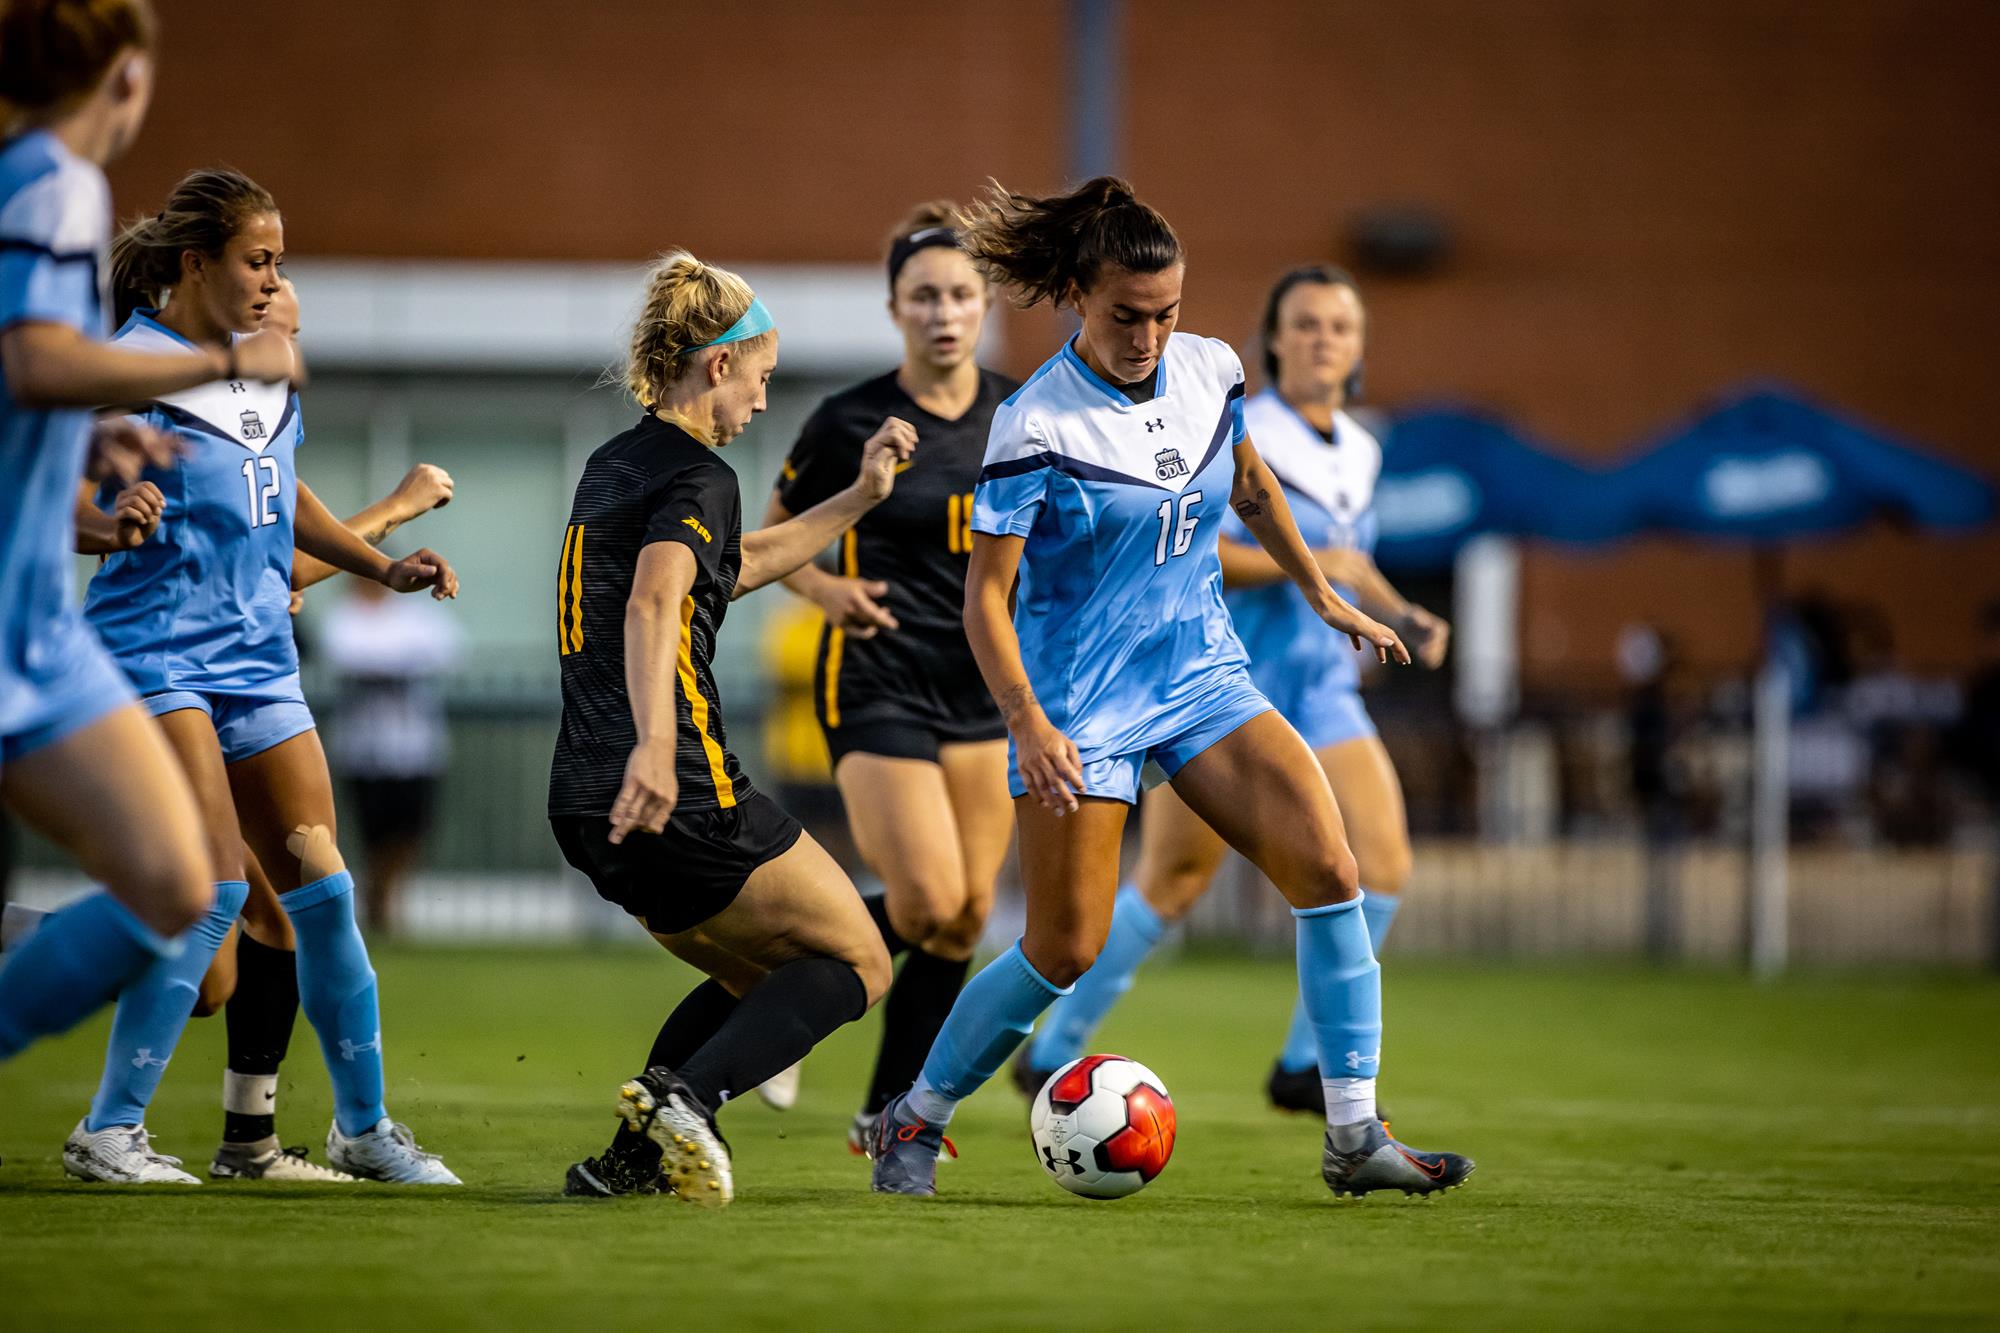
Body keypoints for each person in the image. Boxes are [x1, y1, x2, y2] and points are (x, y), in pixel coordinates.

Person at [865, 178, 1474, 1200]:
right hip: (1078, 706)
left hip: (1200, 680)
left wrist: (1321, 593)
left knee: (1334, 871)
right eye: (1124, 315)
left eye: (1165, 313)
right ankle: (911, 1118)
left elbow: (1250, 485)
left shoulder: (1213, 370)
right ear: (1073, 295)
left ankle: (1352, 1132)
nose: (1148, 335)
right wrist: (1028, 722)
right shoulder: (1032, 424)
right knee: (1063, 946)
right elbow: (987, 598)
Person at [56, 174, 462, 1185]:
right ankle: (107, 1132)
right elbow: (36, 493)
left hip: (258, 664)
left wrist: (384, 564)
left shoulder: (257, 376)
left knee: (321, 895)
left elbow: (287, 498)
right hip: (152, 655)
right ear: (197, 263)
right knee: (219, 893)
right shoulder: (133, 365)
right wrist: (106, 521)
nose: (275, 280)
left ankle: (362, 1130)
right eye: (259, 260)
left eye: (279, 261)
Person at [1016, 266, 1453, 1116]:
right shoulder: (1240, 423)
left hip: (1323, 687)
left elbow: (1348, 560)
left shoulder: (1363, 448)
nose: (1325, 338)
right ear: (1276, 339)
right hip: (1227, 682)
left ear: (1359, 346)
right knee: (1173, 880)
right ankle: (1056, 1044)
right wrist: (1322, 571)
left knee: (1382, 865)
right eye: (1307, 323)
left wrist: (1404, 615)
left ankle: (1306, 1065)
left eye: (1341, 325)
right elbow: (1202, 548)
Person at [551, 251, 911, 1206]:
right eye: (759, 378)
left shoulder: (616, 462)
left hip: (584, 802)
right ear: (718, 366)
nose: (761, 400)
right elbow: (655, 599)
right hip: (675, 785)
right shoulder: (702, 474)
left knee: (765, 977)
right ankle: (689, 1101)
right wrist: (657, 748)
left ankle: (627, 1161)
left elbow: (733, 567)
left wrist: (859, 499)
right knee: (858, 960)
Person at [0, 0, 293, 1065]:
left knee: (181, 893)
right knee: (190, 897)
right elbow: (36, 362)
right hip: (44, 634)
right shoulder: (57, 182)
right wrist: (222, 364)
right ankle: (123, 1126)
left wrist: (89, 449)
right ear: (128, 78)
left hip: (42, 631)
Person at [764, 204, 1016, 1148]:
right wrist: (826, 591)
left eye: (959, 293)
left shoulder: (1021, 412)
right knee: (919, 901)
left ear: (986, 302)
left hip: (985, 687)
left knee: (965, 915)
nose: (943, 312)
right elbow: (771, 538)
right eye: (924, 296)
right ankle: (785, 977)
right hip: (878, 677)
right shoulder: (849, 419)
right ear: (894, 308)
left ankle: (885, 1112)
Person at [321, 553, 463, 936]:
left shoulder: (414, 615)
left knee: (410, 829)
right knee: (373, 830)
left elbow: (446, 649)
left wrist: (386, 664)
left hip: (414, 746)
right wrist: (399, 663)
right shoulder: (345, 616)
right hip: (364, 748)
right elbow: (346, 654)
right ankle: (378, 904)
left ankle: (386, 898)